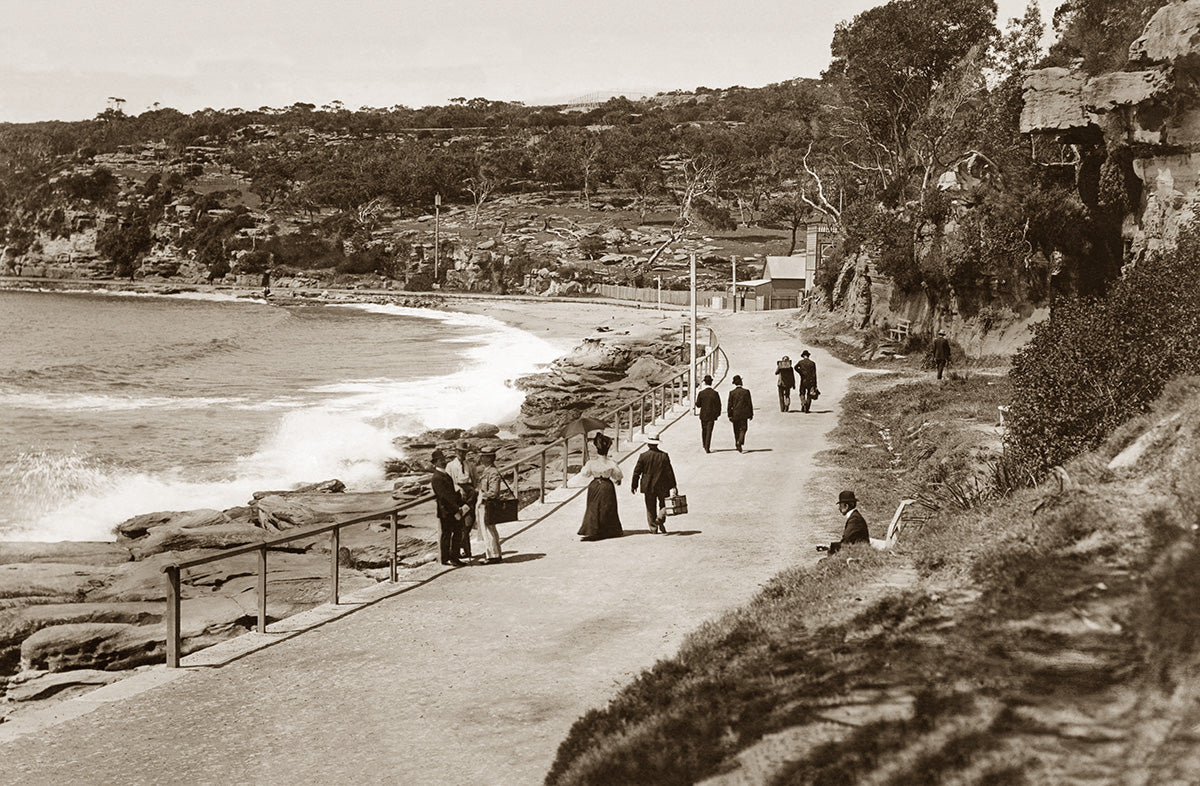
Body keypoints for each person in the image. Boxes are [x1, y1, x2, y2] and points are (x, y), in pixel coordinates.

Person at [578, 433, 623, 540]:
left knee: (593, 507)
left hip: (595, 485)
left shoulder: (591, 462)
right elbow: (618, 475)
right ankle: (609, 530)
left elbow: (585, 474)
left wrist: (586, 464)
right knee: (608, 507)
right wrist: (618, 480)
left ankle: (593, 529)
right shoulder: (611, 462)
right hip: (607, 485)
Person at [630, 434, 677, 534]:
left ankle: (653, 528)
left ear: (648, 444)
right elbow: (669, 472)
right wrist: (673, 485)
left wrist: (634, 485)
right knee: (664, 505)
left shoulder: (643, 456)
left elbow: (637, 472)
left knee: (650, 507)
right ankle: (660, 519)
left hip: (648, 485)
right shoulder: (664, 456)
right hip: (662, 485)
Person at [429, 449, 469, 566]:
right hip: (447, 511)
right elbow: (444, 497)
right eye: (440, 460)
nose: (443, 462)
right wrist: (457, 509)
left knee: (452, 534)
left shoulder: (444, 474)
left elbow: (450, 494)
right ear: (435, 463)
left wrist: (459, 501)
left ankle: (448, 557)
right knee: (450, 534)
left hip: (449, 510)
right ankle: (450, 558)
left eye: (443, 459)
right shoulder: (437, 477)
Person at [446, 439, 478, 561]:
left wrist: (474, 491)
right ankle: (463, 550)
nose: (462, 454)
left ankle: (464, 546)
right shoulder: (450, 466)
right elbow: (449, 482)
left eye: (464, 452)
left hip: (470, 495)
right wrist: (458, 489)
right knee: (459, 524)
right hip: (458, 495)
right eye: (459, 451)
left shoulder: (470, 465)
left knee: (469, 522)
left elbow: (475, 479)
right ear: (455, 452)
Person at [474, 447, 505, 563]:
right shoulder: (488, 470)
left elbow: (494, 492)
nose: (481, 458)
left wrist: (482, 496)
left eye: (483, 456)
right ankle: (494, 554)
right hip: (485, 503)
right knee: (489, 529)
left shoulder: (492, 472)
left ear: (489, 458)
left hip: (487, 504)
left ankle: (493, 556)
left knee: (488, 529)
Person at [826, 490, 871, 555]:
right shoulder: (855, 517)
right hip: (858, 551)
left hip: (859, 554)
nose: (839, 509)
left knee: (823, 562)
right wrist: (829, 547)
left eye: (840, 506)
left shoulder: (855, 520)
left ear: (846, 506)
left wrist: (830, 547)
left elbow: (845, 542)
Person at [694, 374, 721, 453]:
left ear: (705, 383)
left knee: (704, 429)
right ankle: (707, 446)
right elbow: (718, 405)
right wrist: (717, 414)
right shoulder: (715, 393)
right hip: (712, 415)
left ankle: (704, 444)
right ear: (711, 383)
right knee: (709, 431)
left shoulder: (701, 393)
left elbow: (698, 405)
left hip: (703, 414)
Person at [727, 375, 753, 452]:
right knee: (744, 428)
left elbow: (729, 405)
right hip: (744, 414)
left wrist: (729, 415)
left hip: (735, 414)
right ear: (741, 382)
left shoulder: (732, 393)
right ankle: (740, 442)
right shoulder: (746, 392)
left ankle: (737, 443)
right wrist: (751, 414)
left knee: (736, 430)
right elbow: (749, 404)